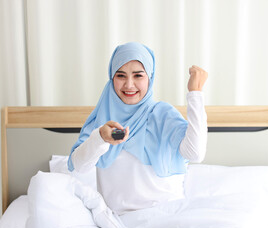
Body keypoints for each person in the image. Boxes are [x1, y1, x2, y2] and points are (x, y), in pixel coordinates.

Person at [68, 42, 208, 215]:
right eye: (120, 76)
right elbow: (78, 166)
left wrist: (195, 94)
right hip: (118, 220)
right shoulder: (102, 119)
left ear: (150, 77)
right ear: (112, 79)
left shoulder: (163, 114)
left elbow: (195, 154)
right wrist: (100, 139)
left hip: (166, 215)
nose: (129, 85)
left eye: (138, 76)